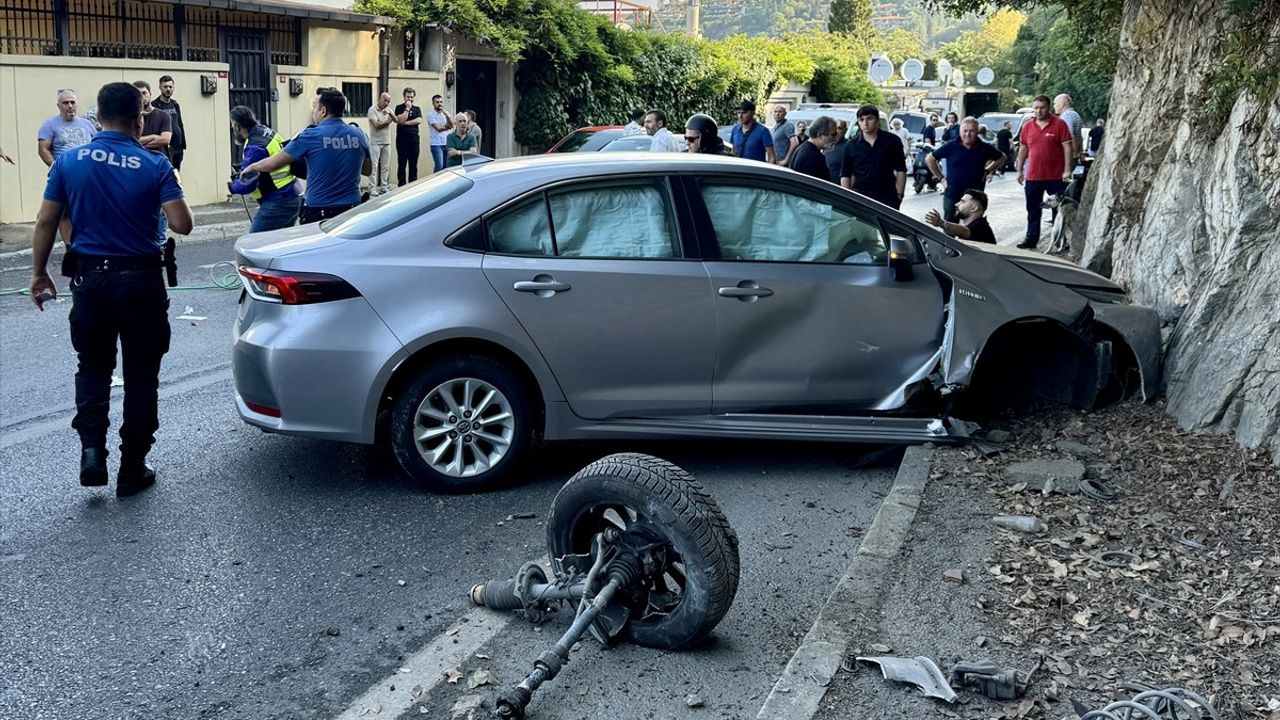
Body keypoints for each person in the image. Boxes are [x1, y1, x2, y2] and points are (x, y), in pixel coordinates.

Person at [29, 81, 193, 497]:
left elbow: (47, 221)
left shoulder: (68, 163)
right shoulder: (154, 164)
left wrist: (39, 273)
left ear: (98, 118)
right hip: (141, 281)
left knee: (93, 367)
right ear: (139, 120)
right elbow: (182, 224)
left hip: (91, 281)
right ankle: (132, 466)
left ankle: (91, 452)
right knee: (141, 374)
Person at [242, 88, 371, 224]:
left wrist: (252, 167)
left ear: (323, 111)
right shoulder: (358, 134)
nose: (313, 111)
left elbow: (274, 164)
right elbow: (368, 170)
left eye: (315, 107)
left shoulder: (310, 135)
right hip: (351, 211)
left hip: (319, 213)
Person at [227, 106, 300, 233]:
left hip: (279, 200)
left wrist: (232, 186)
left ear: (237, 126)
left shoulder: (255, 146)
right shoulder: (267, 132)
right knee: (279, 241)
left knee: (255, 240)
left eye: (232, 125)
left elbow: (247, 185)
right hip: (293, 194)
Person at [1015, 95, 1074, 249]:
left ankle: (1059, 240)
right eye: (1036, 108)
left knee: (1058, 210)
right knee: (1033, 209)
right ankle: (1031, 238)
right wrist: (1020, 169)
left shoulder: (1059, 124)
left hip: (1055, 176)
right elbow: (1023, 148)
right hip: (1033, 176)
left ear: (1048, 108)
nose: (1038, 111)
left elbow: (1067, 147)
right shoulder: (1028, 126)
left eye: (1042, 108)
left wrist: (1067, 169)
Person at [925, 117, 1005, 222]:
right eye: (965, 131)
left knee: (974, 227)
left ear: (977, 132)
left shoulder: (985, 148)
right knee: (949, 225)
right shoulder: (951, 146)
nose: (968, 134)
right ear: (960, 131)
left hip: (975, 197)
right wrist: (941, 178)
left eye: (972, 131)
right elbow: (930, 159)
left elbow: (1002, 158)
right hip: (952, 194)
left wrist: (988, 170)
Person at [840, 105, 907, 209]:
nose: (865, 123)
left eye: (869, 119)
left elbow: (901, 169)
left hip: (887, 196)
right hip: (861, 196)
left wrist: (900, 194)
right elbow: (845, 174)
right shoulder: (851, 145)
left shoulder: (892, 141)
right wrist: (847, 198)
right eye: (861, 120)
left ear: (877, 120)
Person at [925, 190, 996, 245]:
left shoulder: (981, 227)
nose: (956, 204)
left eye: (963, 201)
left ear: (974, 208)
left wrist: (942, 223)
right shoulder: (978, 224)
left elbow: (963, 231)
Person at [788, 115, 839, 182]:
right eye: (833, 135)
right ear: (819, 135)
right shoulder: (815, 156)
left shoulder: (801, 149)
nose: (836, 139)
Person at [151, 75, 186, 171]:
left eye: (170, 87)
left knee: (176, 173)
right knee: (166, 172)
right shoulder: (155, 105)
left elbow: (179, 123)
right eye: (165, 87)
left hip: (178, 146)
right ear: (160, 87)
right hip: (165, 147)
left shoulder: (175, 104)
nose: (168, 89)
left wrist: (183, 143)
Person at [132, 81, 171, 159]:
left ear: (150, 94)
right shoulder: (130, 117)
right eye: (138, 94)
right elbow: (129, 141)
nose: (142, 97)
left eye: (144, 93)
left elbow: (165, 139)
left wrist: (139, 146)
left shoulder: (163, 115)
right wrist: (153, 137)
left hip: (159, 160)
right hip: (138, 160)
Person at [394, 87, 423, 186]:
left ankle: (412, 185)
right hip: (402, 140)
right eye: (408, 97)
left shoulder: (417, 109)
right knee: (402, 164)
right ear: (404, 97)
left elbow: (419, 120)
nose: (410, 99)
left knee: (413, 164)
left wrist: (405, 123)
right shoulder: (399, 108)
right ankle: (401, 185)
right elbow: (400, 120)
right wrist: (407, 109)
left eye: (411, 97)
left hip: (414, 140)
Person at [366, 92, 394, 196]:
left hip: (387, 142)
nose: (386, 103)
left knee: (385, 167)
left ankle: (383, 187)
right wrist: (388, 121)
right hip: (375, 142)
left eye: (388, 101)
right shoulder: (372, 110)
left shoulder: (388, 109)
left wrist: (391, 114)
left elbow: (396, 120)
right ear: (380, 99)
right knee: (374, 166)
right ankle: (372, 188)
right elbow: (376, 125)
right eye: (385, 100)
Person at [426, 94, 453, 173]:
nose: (439, 104)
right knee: (439, 166)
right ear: (433, 103)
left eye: (441, 102)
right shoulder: (430, 115)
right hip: (436, 144)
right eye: (437, 102)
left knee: (446, 166)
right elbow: (438, 128)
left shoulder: (445, 114)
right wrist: (447, 127)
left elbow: (452, 125)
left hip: (446, 143)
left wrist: (448, 117)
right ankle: (435, 180)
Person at [1054, 93, 1083, 160]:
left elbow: (1070, 136)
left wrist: (1075, 154)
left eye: (1055, 103)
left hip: (1069, 156)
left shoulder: (1067, 116)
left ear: (1062, 104)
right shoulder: (1073, 114)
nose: (1054, 106)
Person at [823, 119, 849, 183]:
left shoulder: (850, 145)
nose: (836, 131)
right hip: (824, 183)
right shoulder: (826, 143)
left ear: (845, 130)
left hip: (839, 185)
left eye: (839, 128)